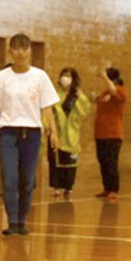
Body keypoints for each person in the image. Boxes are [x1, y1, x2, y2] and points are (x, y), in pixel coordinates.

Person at [0, 33, 60, 235]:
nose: (20, 52)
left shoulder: (40, 77)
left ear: (30, 51)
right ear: (10, 51)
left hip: (32, 134)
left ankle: (22, 220)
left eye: (25, 48)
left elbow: (47, 108)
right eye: (16, 48)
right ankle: (12, 221)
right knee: (10, 178)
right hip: (8, 134)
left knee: (27, 180)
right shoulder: (1, 78)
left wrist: (53, 133)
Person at [48, 68, 90, 199]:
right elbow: (48, 111)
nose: (65, 78)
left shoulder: (77, 96)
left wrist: (80, 96)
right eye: (63, 75)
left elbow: (84, 111)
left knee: (70, 162)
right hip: (56, 132)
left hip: (71, 134)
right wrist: (47, 126)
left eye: (68, 76)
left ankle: (68, 187)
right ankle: (56, 187)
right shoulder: (54, 94)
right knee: (54, 161)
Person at [93, 66, 126, 201]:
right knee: (103, 161)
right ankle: (107, 187)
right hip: (100, 134)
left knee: (111, 162)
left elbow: (113, 91)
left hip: (113, 134)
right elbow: (98, 100)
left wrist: (104, 76)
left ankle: (114, 189)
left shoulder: (120, 91)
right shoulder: (105, 93)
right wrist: (92, 97)